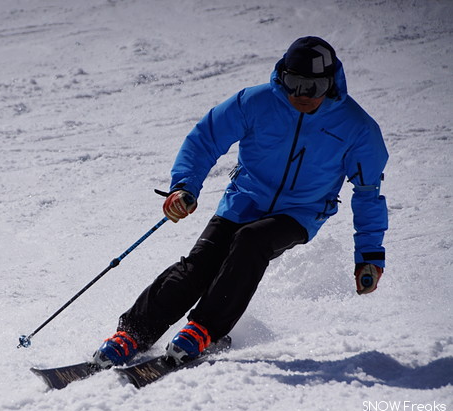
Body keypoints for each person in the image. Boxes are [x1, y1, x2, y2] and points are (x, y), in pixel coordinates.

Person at [92, 36, 388, 368]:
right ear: (282, 76)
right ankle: (132, 333)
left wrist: (370, 258)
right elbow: (205, 138)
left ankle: (204, 330)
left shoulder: (357, 129)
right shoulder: (256, 102)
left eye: (314, 86)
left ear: (331, 83)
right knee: (200, 264)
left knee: (251, 242)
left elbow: (368, 196)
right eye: (294, 83)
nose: (302, 95)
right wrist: (185, 187)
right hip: (244, 200)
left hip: (300, 212)